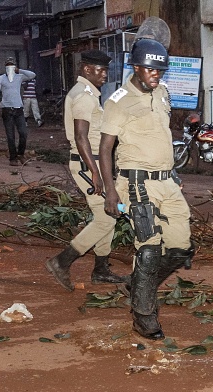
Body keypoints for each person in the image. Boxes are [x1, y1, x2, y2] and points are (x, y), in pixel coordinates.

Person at [98, 39, 195, 340]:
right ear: (136, 67)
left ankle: (139, 283)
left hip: (167, 180)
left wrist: (173, 173)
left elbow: (162, 136)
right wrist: (110, 191)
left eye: (160, 70)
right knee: (149, 248)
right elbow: (105, 149)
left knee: (181, 248)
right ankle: (143, 315)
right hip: (136, 181)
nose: (157, 75)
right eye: (151, 70)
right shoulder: (118, 100)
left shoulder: (163, 92)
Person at [45, 49, 126, 291]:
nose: (105, 75)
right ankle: (62, 261)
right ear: (87, 70)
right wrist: (94, 172)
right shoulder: (83, 96)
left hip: (94, 163)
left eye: (106, 70)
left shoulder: (89, 93)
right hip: (87, 164)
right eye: (101, 70)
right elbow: (81, 138)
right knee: (106, 217)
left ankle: (101, 269)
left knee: (110, 214)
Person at [0, 57, 36, 166]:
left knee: (23, 133)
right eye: (8, 65)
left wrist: (19, 70)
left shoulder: (19, 77)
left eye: (11, 65)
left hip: (18, 109)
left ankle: (20, 154)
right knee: (10, 136)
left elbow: (32, 75)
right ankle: (13, 158)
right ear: (5, 67)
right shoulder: (1, 79)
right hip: (6, 109)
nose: (9, 67)